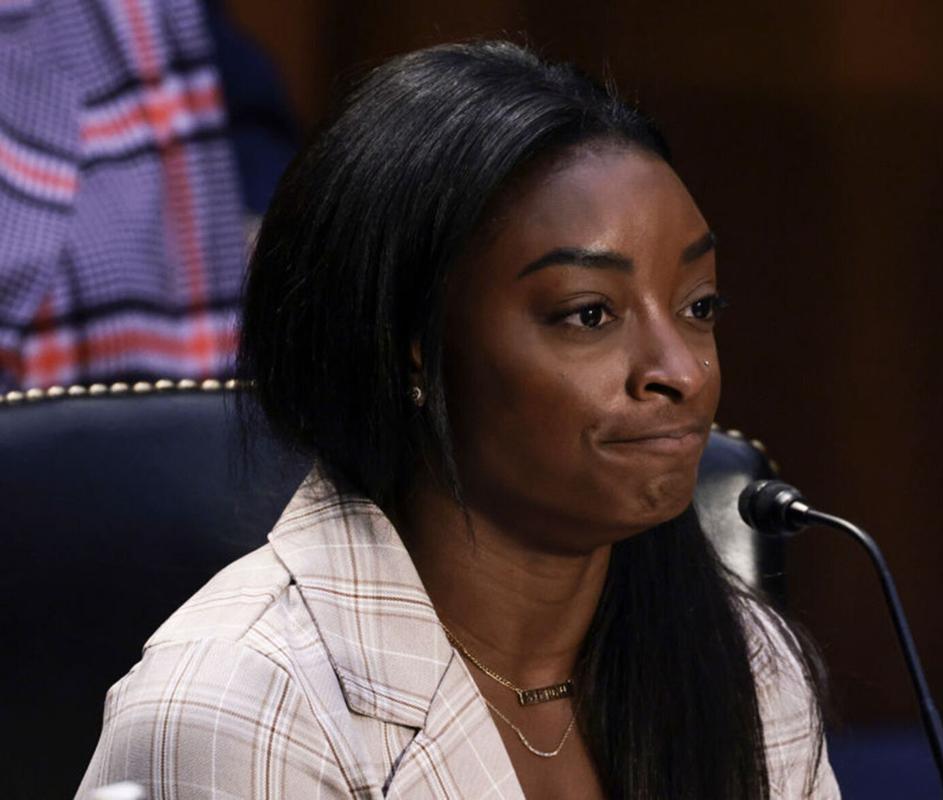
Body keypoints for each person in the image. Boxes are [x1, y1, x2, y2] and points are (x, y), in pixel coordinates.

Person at [76, 41, 840, 799]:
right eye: (589, 314)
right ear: (412, 349)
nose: (682, 371)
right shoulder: (241, 711)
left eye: (698, 307)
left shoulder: (747, 664)